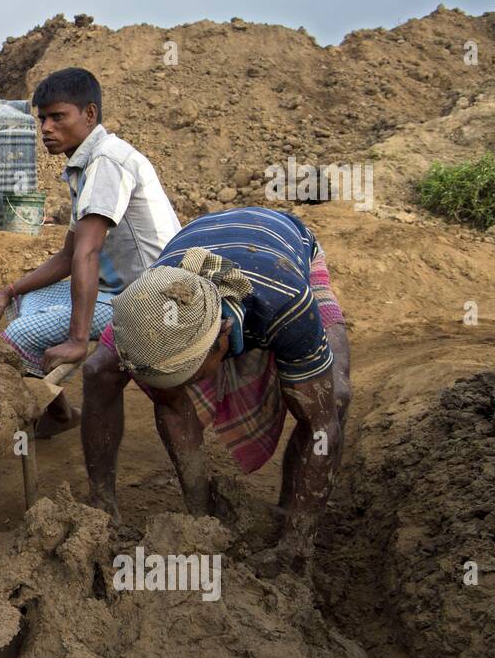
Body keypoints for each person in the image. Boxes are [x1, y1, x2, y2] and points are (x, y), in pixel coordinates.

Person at [80, 206, 351, 575]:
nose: (178, 388)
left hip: (283, 254)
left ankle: (293, 533)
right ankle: (103, 506)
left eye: (187, 373)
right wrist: (201, 525)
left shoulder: (286, 302)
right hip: (184, 275)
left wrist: (295, 546)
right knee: (99, 370)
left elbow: (322, 427)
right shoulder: (153, 300)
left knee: (332, 399)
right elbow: (173, 407)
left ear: (222, 340)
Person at [0, 68, 180, 437]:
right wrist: (10, 291)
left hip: (149, 298)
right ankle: (58, 413)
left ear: (89, 115)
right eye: (43, 118)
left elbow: (86, 255)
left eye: (58, 117)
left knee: (20, 335)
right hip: (117, 290)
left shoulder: (106, 162)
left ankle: (50, 402)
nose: (46, 128)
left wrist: (77, 339)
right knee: (26, 302)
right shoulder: (84, 166)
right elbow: (67, 256)